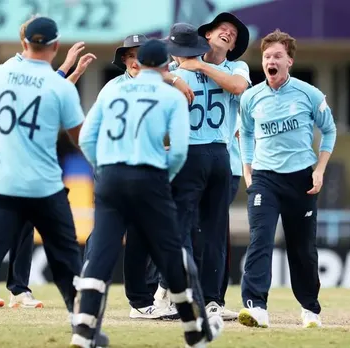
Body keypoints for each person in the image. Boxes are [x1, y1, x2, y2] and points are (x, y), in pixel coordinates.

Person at [0, 17, 103, 348]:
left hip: (1, 185)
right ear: (55, 46)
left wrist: (7, 138)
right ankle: (85, 328)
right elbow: (79, 138)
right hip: (44, 187)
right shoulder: (60, 86)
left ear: (23, 44)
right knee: (66, 260)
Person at [72, 39, 223, 348]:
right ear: (167, 65)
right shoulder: (170, 96)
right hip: (150, 177)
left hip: (111, 177)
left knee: (100, 254)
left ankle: (82, 331)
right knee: (171, 254)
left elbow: (87, 137)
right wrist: (160, 177)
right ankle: (194, 330)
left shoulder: (112, 89)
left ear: (138, 64)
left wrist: (104, 169)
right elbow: (179, 151)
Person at [0, 15, 96, 309]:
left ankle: (18, 290)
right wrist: (67, 66)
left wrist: (73, 72)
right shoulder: (12, 68)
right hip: (10, 153)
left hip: (25, 153)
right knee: (3, 226)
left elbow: (48, 93)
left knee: (25, 224)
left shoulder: (25, 70)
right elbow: (43, 88)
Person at [83, 33, 193, 320]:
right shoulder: (115, 88)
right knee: (114, 235)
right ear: (125, 60)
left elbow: (87, 137)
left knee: (133, 236)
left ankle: (124, 302)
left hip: (114, 172)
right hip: (138, 173)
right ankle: (183, 316)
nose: (132, 60)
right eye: (128, 55)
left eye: (137, 54)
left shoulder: (120, 90)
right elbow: (179, 148)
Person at [238, 29, 337, 328]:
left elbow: (329, 131)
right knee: (260, 239)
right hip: (265, 179)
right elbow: (245, 132)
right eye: (267, 56)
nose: (271, 60)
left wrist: (319, 170)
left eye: (277, 56)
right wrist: (248, 170)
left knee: (302, 247)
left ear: (289, 61)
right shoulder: (251, 97)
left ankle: (310, 309)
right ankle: (256, 307)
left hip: (301, 179)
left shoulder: (309, 94)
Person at [170, 12, 251, 320]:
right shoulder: (181, 67)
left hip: (220, 156)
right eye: (222, 28)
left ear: (232, 47)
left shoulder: (236, 67)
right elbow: (152, 75)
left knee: (214, 231)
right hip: (188, 152)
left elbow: (237, 87)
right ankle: (177, 292)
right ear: (207, 34)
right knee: (183, 229)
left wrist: (198, 65)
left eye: (232, 32)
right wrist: (177, 74)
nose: (227, 32)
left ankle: (213, 299)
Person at [159, 22, 233, 318]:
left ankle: (180, 293)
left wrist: (173, 76)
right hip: (220, 155)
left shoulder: (173, 76)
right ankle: (213, 300)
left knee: (180, 228)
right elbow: (239, 88)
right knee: (215, 230)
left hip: (188, 153)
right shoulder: (223, 73)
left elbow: (141, 76)